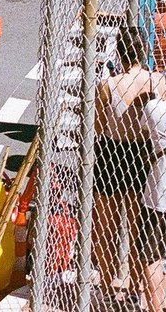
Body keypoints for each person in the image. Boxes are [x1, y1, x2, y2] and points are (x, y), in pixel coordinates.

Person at [94, 25, 159, 296]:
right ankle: (134, 285)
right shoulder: (158, 82)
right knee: (136, 226)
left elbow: (98, 125)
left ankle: (109, 283)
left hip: (111, 152)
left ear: (118, 52)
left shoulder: (108, 84)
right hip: (143, 154)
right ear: (144, 50)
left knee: (105, 224)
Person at [135, 70, 166, 312]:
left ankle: (157, 306)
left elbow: (142, 132)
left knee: (151, 256)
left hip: (159, 196)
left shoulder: (155, 108)